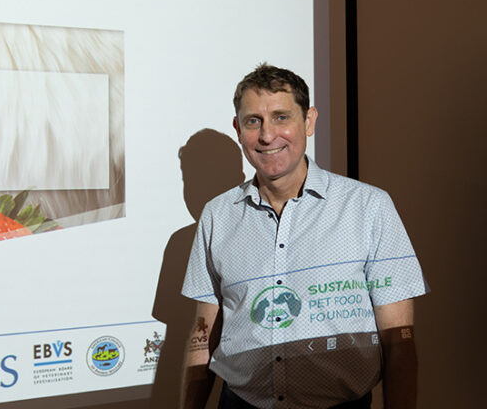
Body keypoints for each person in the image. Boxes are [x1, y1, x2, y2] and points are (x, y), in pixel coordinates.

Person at [181, 64, 427, 409]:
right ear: (238, 129)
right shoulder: (217, 216)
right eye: (253, 121)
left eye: (281, 117)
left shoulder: (369, 207)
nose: (267, 135)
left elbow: (399, 341)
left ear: (309, 121)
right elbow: (204, 333)